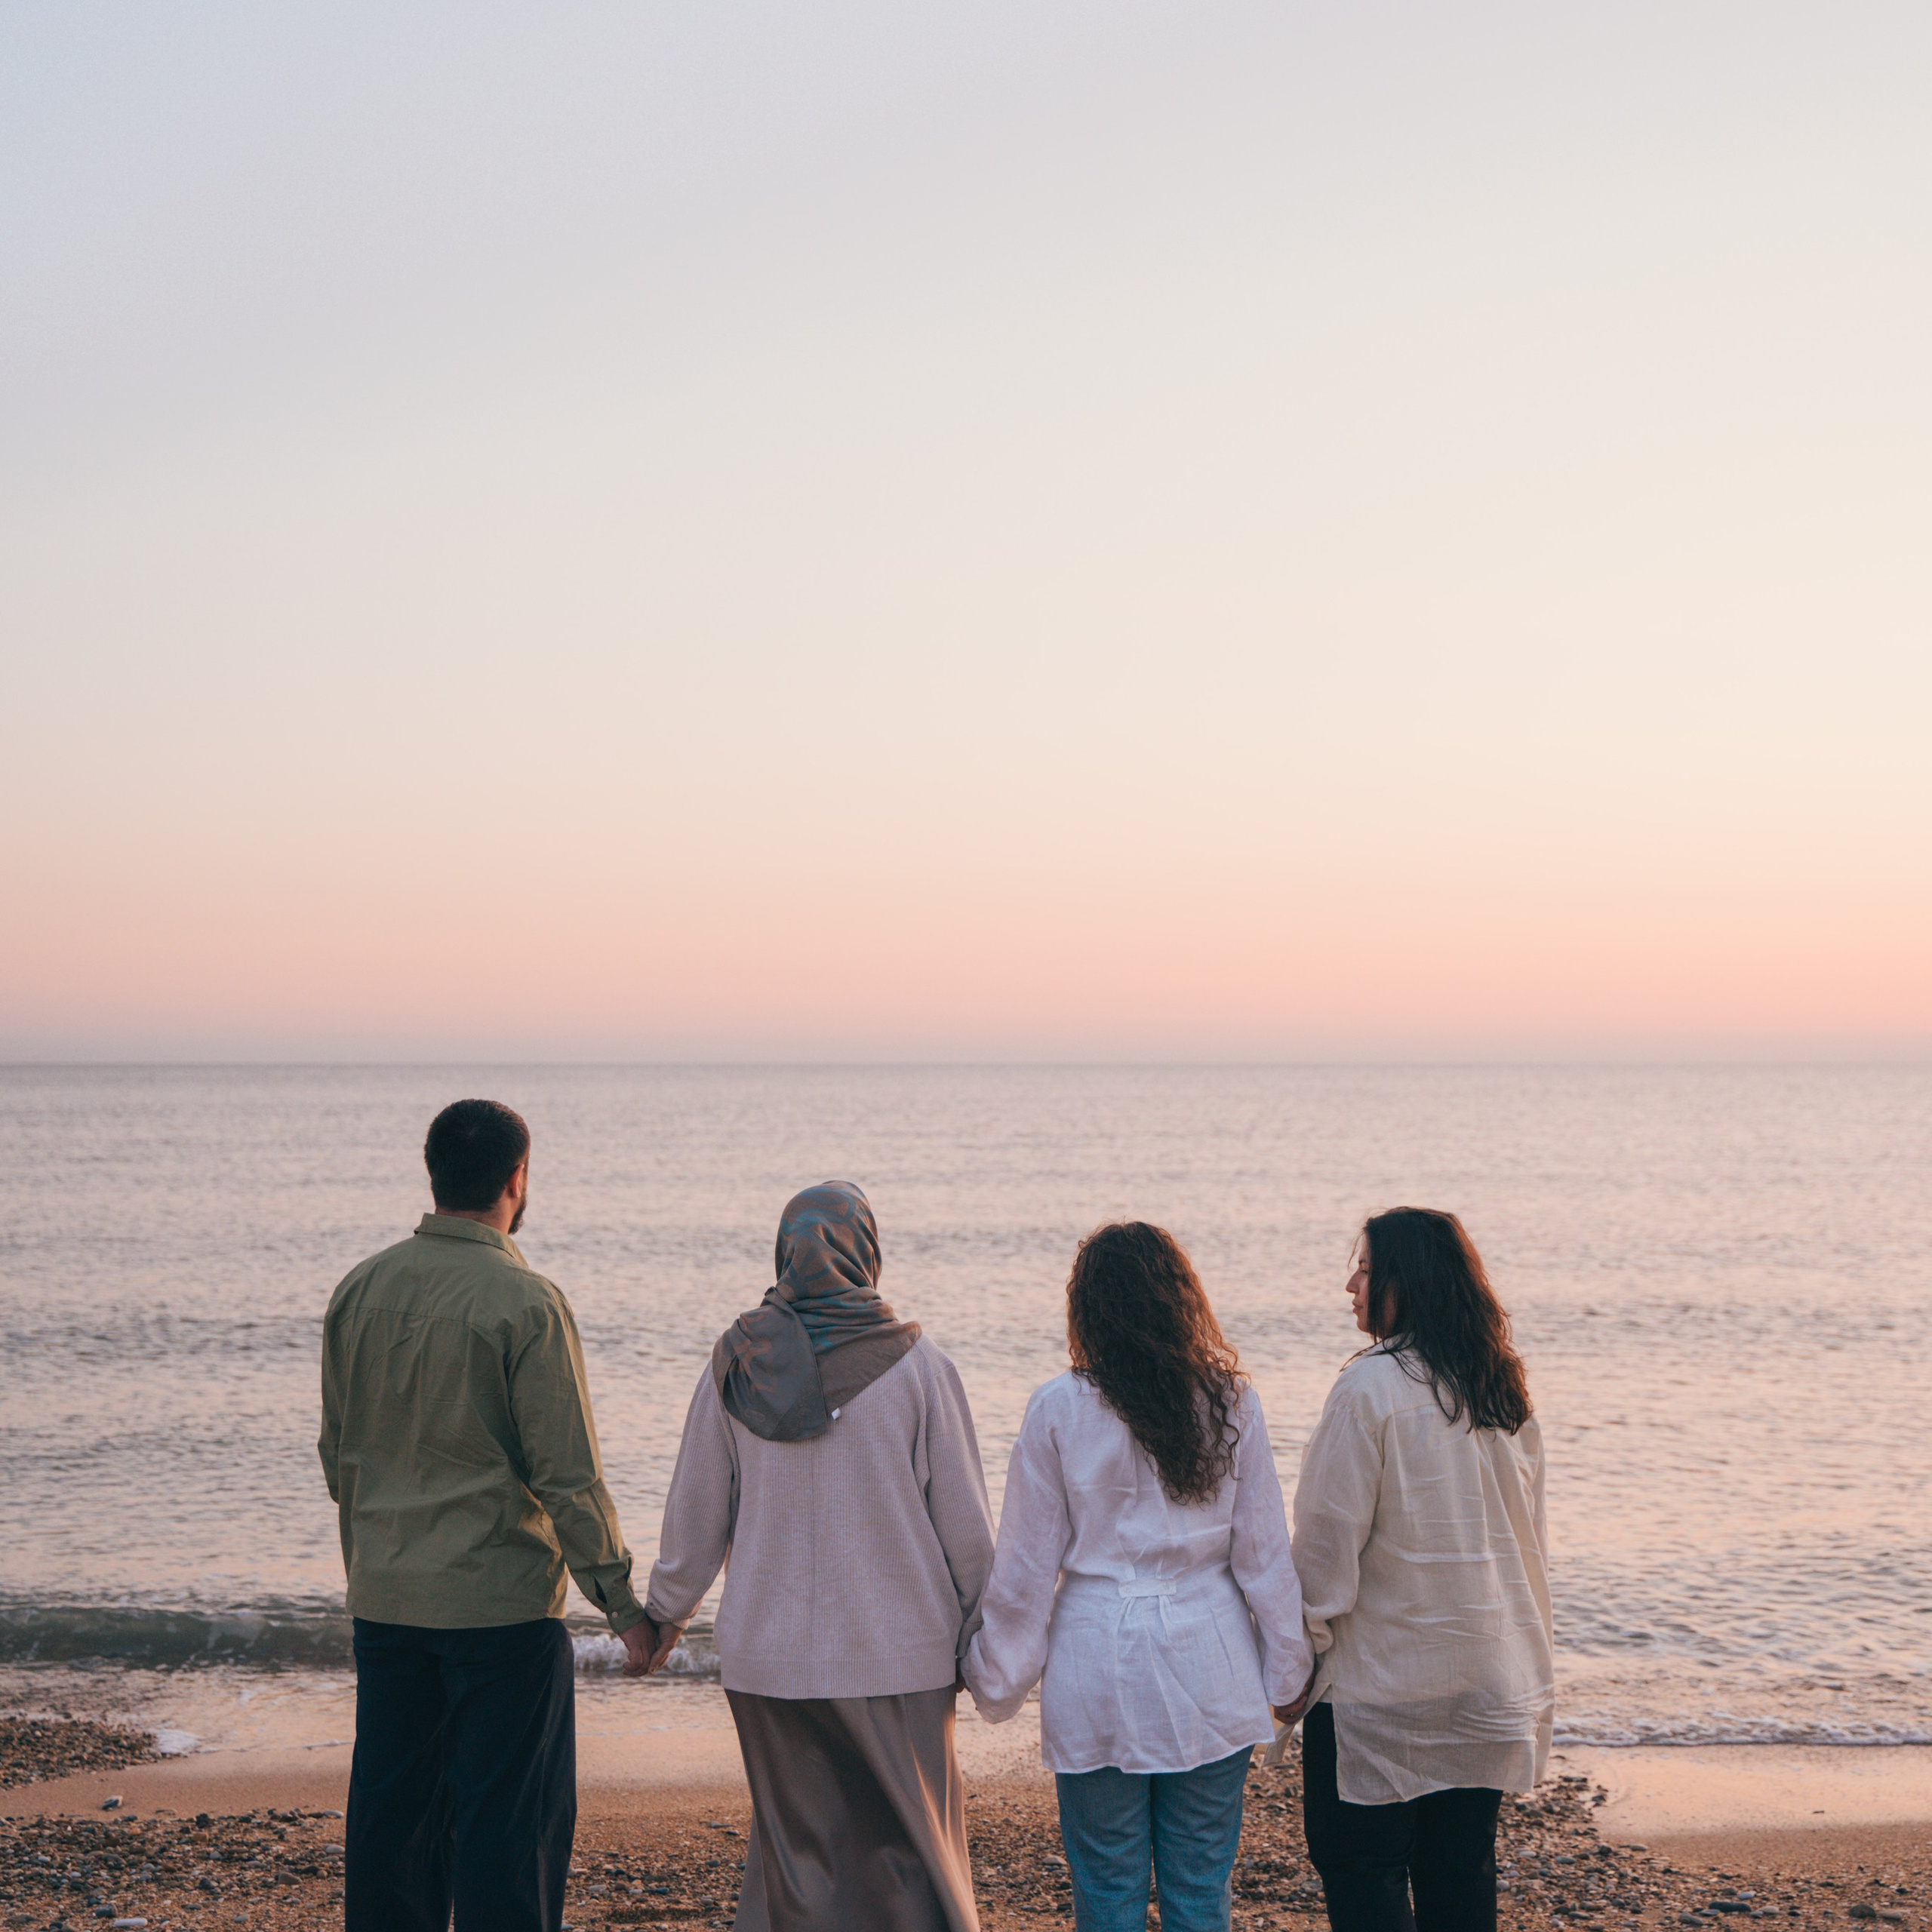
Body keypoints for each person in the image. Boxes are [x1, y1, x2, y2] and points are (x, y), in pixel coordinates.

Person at [319, 1099, 654, 1932]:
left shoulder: (360, 1287)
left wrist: (387, 1541)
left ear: (432, 1175)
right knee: (510, 1832)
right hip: (500, 1612)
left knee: (392, 1829)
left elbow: (338, 1454)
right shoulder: (526, 1302)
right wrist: (625, 1610)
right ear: (518, 1180)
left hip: (389, 1599)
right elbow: (568, 1475)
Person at [642, 1181, 995, 1932]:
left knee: (800, 1862)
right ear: (866, 1252)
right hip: (899, 1658)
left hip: (770, 1663)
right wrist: (983, 1636)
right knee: (911, 1856)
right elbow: (966, 1531)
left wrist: (665, 1614)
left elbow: (695, 1512)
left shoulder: (738, 1360)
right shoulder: (920, 1365)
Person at [964, 1220, 1314, 1932]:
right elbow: (1263, 1555)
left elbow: (1026, 1572)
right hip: (1209, 1663)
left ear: (1087, 1309)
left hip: (1096, 1670)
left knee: (1108, 1894)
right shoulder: (1229, 1401)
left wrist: (993, 1677)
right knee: (1198, 1890)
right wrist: (1289, 1672)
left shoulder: (1057, 1408)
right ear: (1182, 1300)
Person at [1291, 1208, 1553, 1932]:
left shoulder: (1367, 1390)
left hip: (1384, 1688)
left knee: (1363, 1867)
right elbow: (1527, 1547)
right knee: (1460, 1870)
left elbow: (1324, 1552)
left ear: (1409, 1281)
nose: (1350, 1283)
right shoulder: (1503, 1391)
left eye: (1367, 1269)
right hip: (1485, 1679)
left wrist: (1298, 1663)